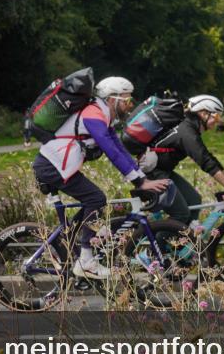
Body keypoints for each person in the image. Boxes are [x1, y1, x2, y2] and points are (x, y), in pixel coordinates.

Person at [32, 76, 171, 279]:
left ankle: (71, 240)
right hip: (51, 167)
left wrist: (141, 177)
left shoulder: (103, 115)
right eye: (126, 99)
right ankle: (86, 261)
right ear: (112, 99)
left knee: (91, 204)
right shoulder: (93, 115)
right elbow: (110, 152)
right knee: (96, 199)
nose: (129, 104)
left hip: (58, 167)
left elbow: (119, 149)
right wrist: (140, 182)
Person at [143, 94, 224, 226]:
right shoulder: (186, 132)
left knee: (194, 200)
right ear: (204, 113)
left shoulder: (189, 127)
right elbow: (205, 162)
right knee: (181, 214)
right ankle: (162, 246)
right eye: (216, 116)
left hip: (162, 171)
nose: (217, 122)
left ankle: (184, 241)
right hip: (154, 173)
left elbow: (210, 158)